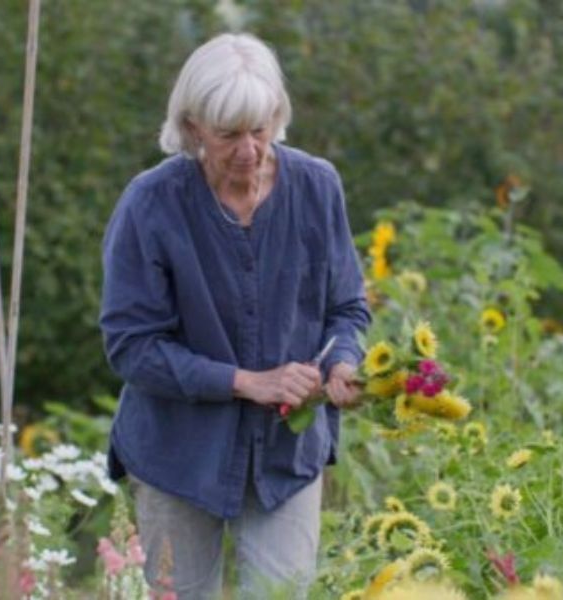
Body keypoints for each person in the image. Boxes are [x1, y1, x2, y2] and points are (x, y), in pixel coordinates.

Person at [99, 32, 370, 599]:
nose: (248, 150)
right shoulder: (150, 204)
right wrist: (247, 382)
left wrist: (342, 363)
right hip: (178, 453)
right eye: (228, 135)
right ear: (193, 126)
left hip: (284, 454)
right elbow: (132, 345)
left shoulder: (318, 188)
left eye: (260, 130)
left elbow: (346, 308)